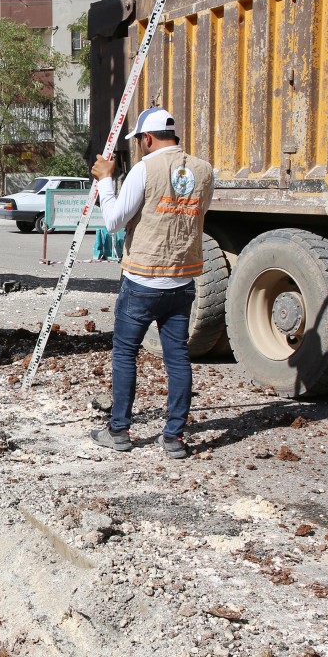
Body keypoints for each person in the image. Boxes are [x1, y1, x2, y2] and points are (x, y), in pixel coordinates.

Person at [88, 107, 213, 460]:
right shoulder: (204, 171)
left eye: (140, 141)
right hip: (182, 280)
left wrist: (105, 180)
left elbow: (113, 221)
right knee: (178, 358)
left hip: (143, 278)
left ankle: (119, 431)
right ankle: (173, 437)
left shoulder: (145, 169)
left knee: (126, 353)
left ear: (146, 138)